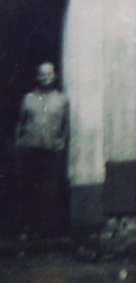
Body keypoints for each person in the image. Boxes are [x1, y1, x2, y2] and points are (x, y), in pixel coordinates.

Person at [14, 62, 69, 236]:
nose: (46, 77)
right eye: (42, 74)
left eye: (49, 74)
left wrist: (60, 144)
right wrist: (19, 145)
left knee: (49, 191)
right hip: (29, 150)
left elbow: (65, 126)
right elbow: (20, 123)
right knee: (27, 189)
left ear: (55, 76)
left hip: (51, 151)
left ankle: (46, 230)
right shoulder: (28, 98)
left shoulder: (62, 100)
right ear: (37, 77)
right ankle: (25, 228)